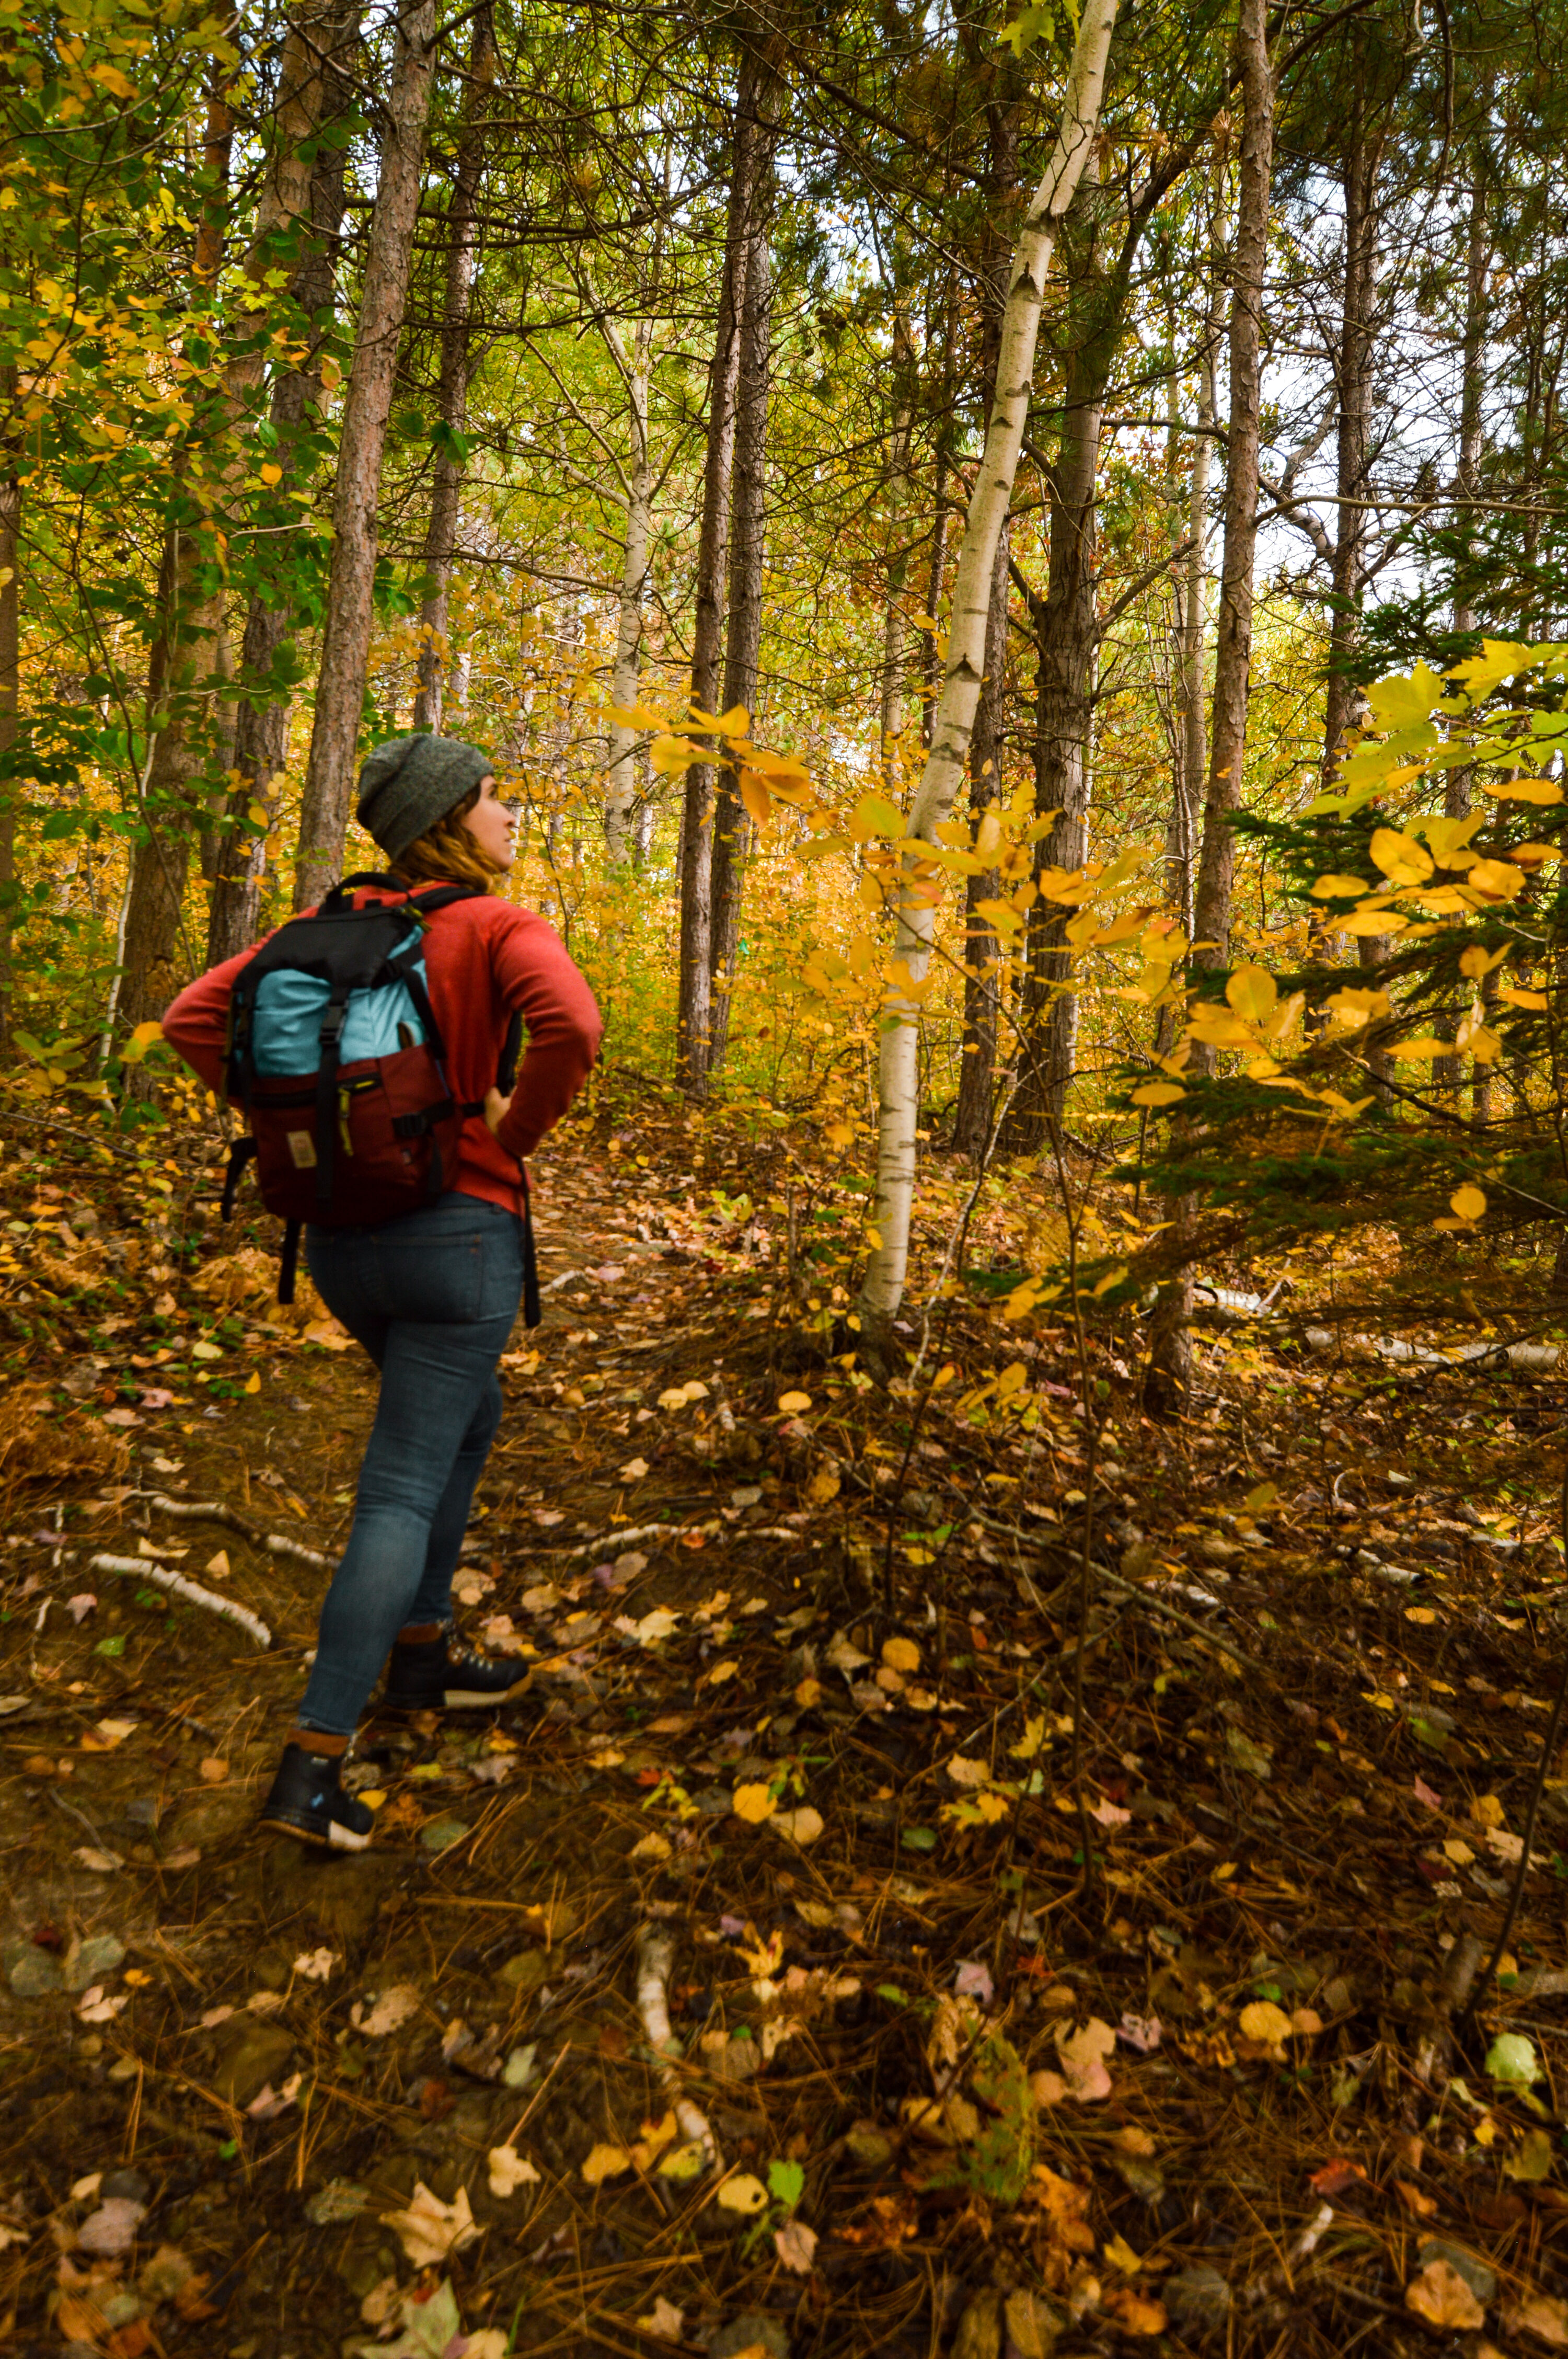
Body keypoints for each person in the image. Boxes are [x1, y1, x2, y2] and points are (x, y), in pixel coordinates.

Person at [162, 735, 602, 1848]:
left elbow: (192, 1023)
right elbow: (574, 1028)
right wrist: (514, 1128)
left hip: (341, 1242)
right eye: (495, 798)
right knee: (401, 1487)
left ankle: (421, 1658)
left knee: (469, 1419)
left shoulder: (318, 934)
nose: (510, 814)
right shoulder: (500, 925)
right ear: (449, 817)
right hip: (458, 1237)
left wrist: (309, 1128)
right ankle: (311, 1765)